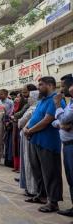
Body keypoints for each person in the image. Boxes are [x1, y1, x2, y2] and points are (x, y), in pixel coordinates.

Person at [24, 76, 63, 213]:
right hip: (35, 140)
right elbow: (35, 116)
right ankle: (41, 195)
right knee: (38, 171)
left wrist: (30, 130)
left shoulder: (55, 101)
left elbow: (47, 120)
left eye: (41, 84)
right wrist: (27, 127)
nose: (38, 87)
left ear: (50, 85)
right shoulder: (42, 100)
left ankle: (53, 202)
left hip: (48, 142)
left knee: (50, 172)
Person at [54, 74, 73, 216]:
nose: (61, 90)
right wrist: (62, 124)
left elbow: (65, 118)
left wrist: (56, 105)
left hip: (72, 145)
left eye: (63, 86)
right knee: (70, 178)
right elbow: (59, 122)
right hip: (66, 145)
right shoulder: (69, 103)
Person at [18, 90, 39, 197]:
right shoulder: (31, 108)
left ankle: (32, 189)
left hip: (28, 136)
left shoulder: (34, 109)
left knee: (29, 161)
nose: (28, 98)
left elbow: (22, 121)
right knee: (25, 161)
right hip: (24, 135)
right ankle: (27, 186)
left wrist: (20, 123)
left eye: (31, 97)